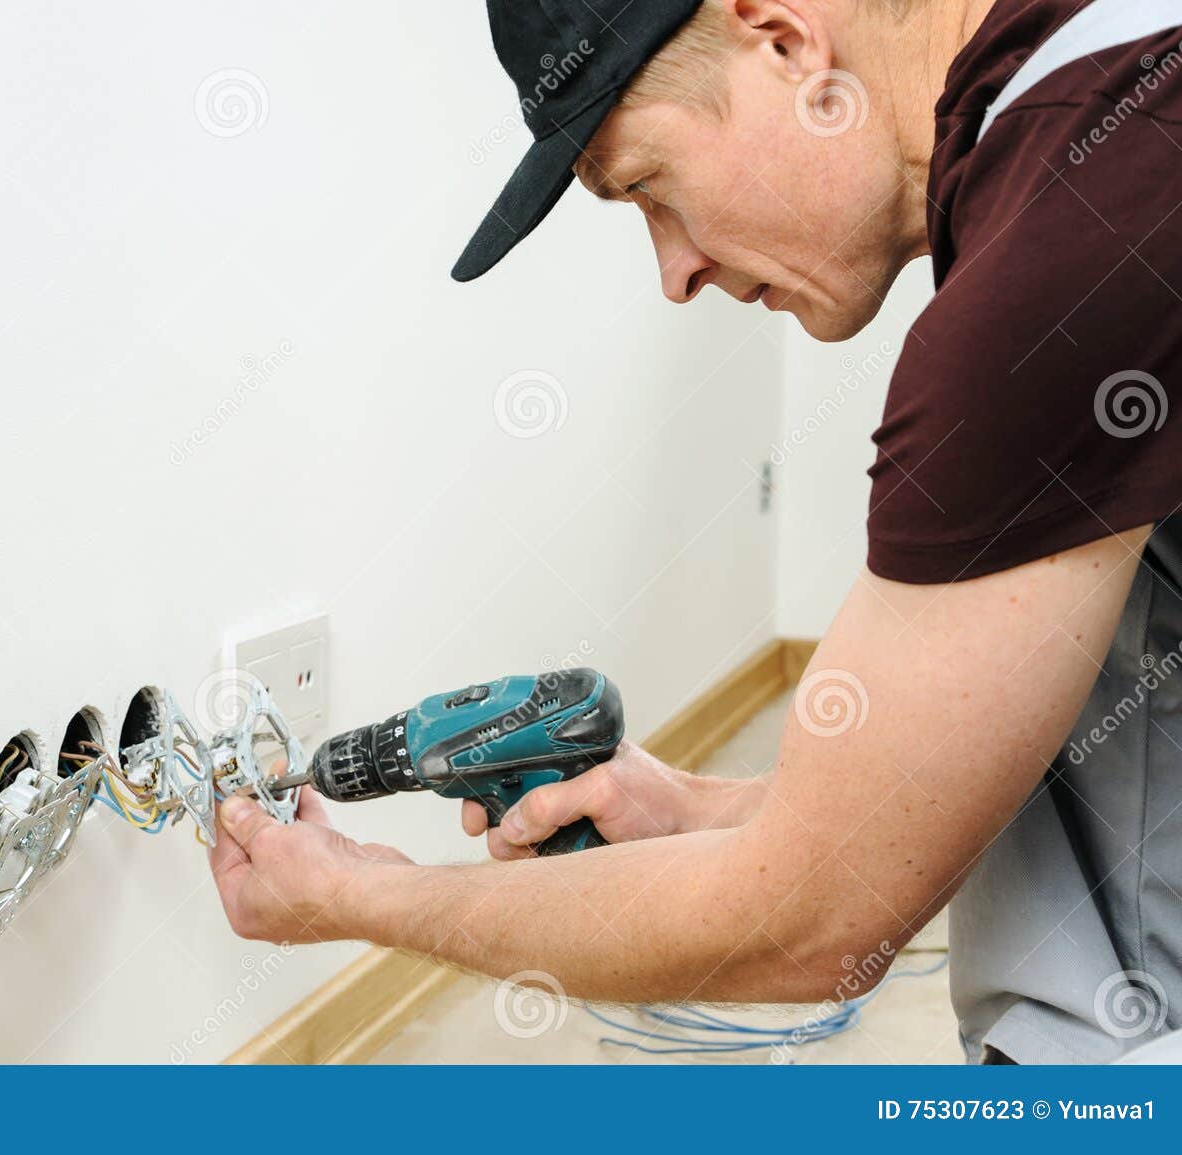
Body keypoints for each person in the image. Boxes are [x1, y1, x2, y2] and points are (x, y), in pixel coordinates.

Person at [209, 0, 1182, 1063]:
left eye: (647, 188)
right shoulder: (1118, 103)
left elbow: (811, 923)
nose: (674, 274)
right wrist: (713, 812)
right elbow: (952, 761)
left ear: (783, 40)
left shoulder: (1069, 243)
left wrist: (358, 897)